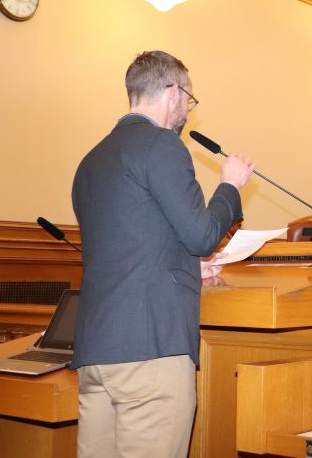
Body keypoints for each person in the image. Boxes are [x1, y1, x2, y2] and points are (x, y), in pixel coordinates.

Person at [71, 50, 254, 458]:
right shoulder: (162, 146)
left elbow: (130, 243)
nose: (188, 109)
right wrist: (230, 187)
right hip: (151, 352)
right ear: (173, 92)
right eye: (189, 98)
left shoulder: (91, 160)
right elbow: (204, 234)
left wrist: (188, 267)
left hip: (97, 352)